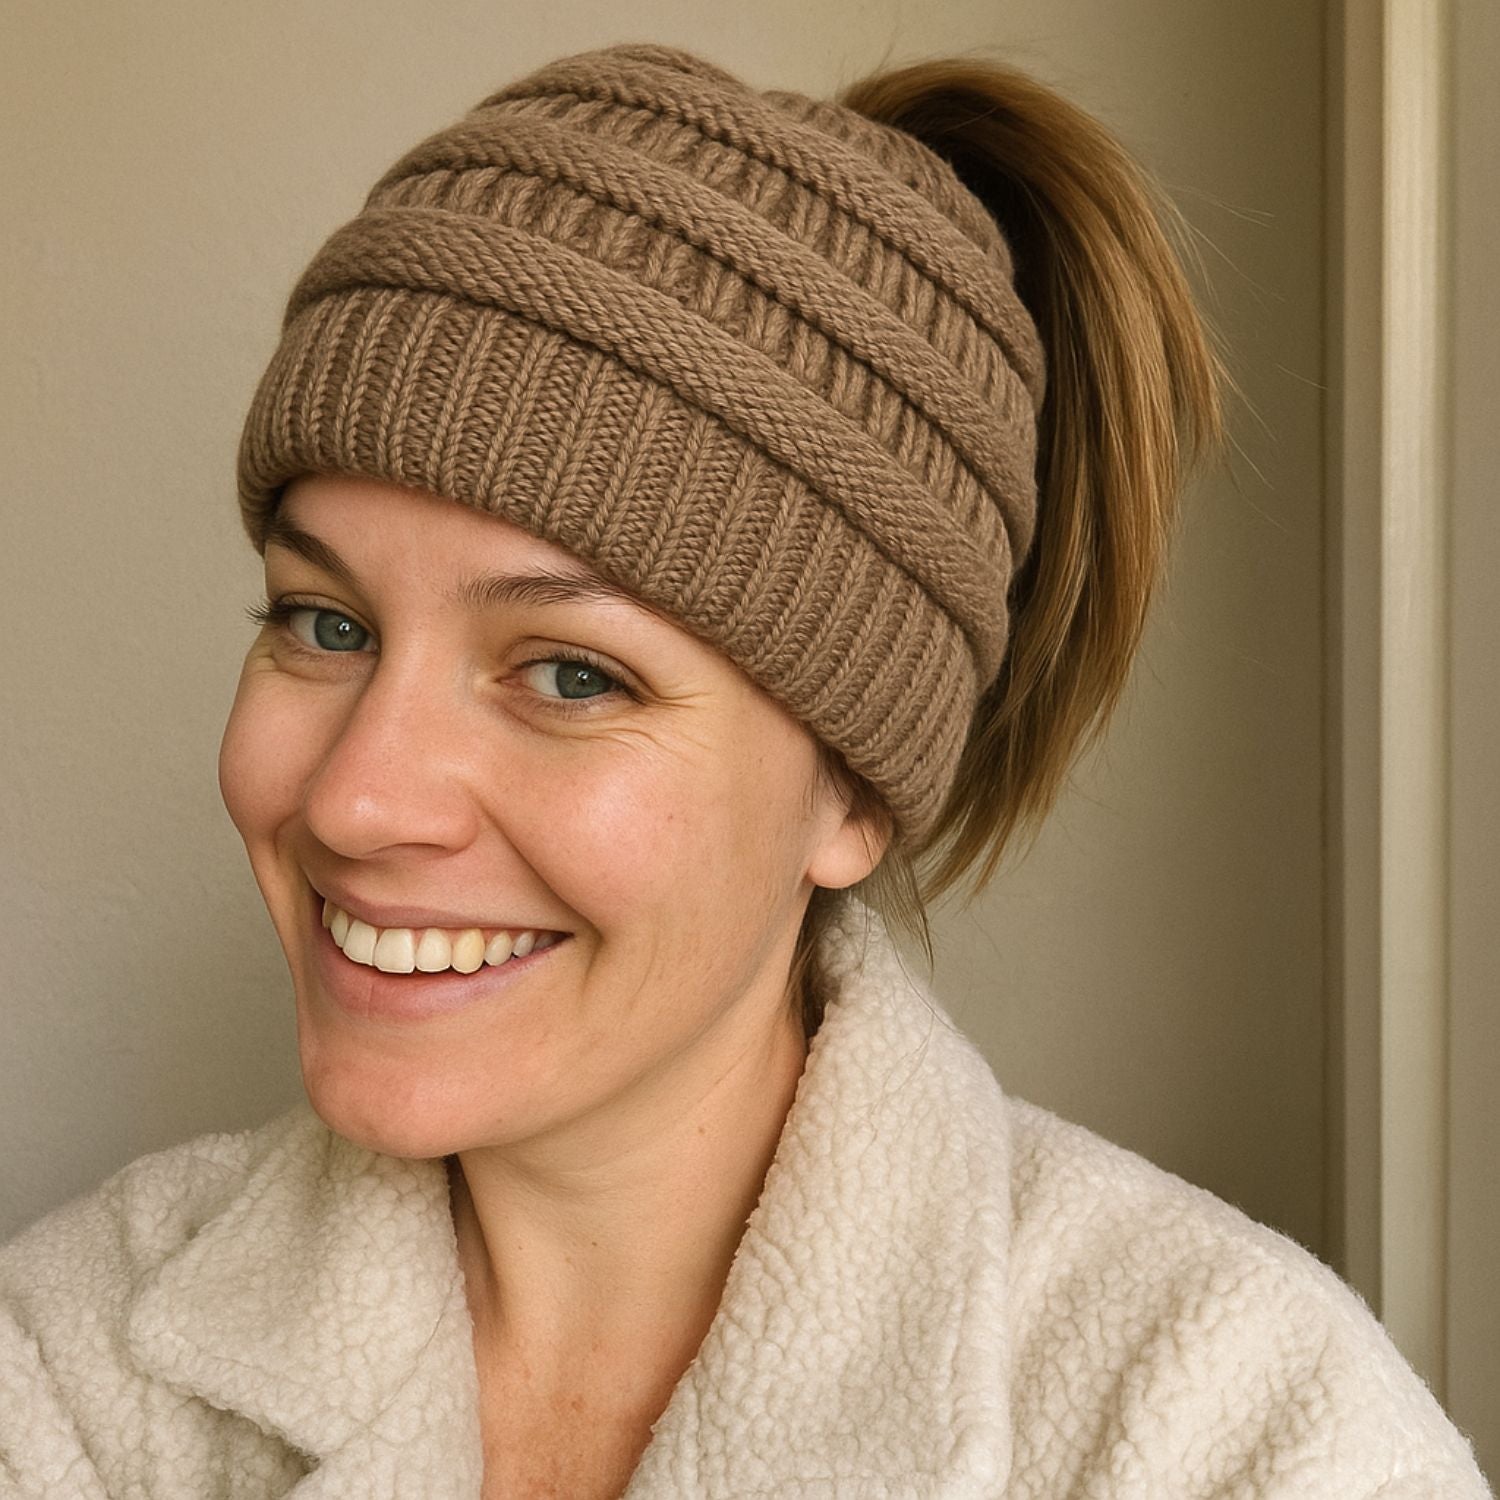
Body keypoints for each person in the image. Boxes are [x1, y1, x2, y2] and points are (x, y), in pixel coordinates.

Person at [0, 37, 1489, 1500]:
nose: (355, 798)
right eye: (323, 625)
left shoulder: (1229, 1426)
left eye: (571, 675)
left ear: (853, 793)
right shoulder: (68, 1370)